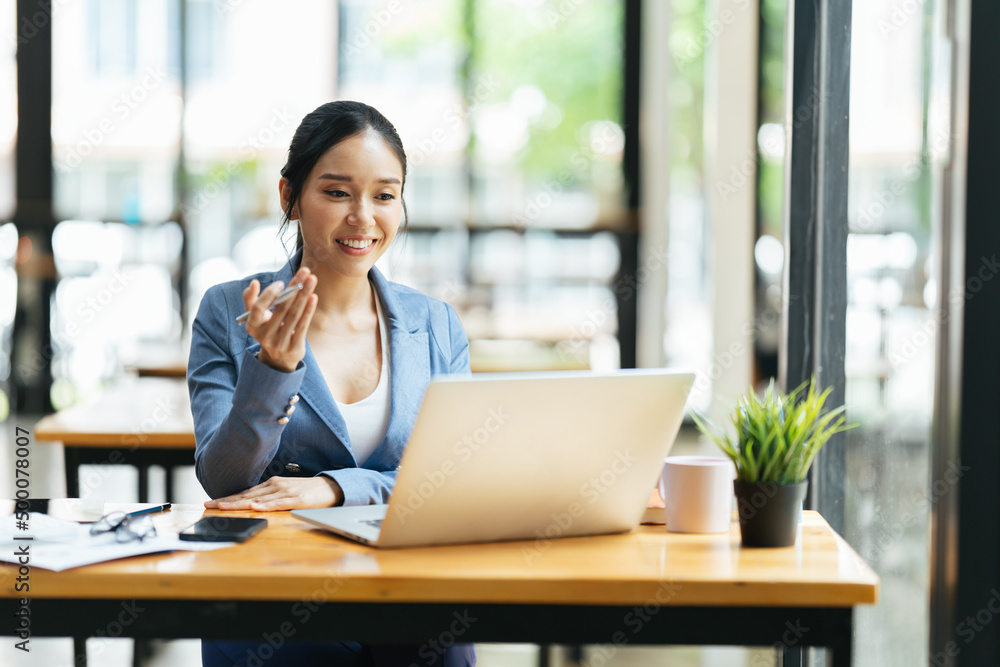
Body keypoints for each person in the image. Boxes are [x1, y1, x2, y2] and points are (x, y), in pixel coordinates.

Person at [187, 101, 476, 667]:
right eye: (338, 192)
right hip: (273, 595)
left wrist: (337, 488)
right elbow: (222, 479)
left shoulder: (435, 323)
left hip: (413, 592)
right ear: (289, 197)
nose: (363, 218)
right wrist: (270, 371)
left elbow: (452, 479)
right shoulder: (228, 309)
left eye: (385, 195)